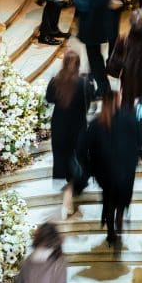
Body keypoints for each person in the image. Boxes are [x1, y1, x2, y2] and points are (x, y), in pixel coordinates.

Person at [85, 91, 142, 247]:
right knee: (122, 197)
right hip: (125, 169)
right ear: (118, 101)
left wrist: (91, 167)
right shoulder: (129, 118)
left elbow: (83, 147)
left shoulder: (96, 123)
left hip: (104, 172)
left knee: (108, 199)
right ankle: (119, 218)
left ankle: (110, 233)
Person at [45, 49, 96, 217]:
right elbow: (89, 103)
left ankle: (67, 195)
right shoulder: (84, 83)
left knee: (62, 158)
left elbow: (50, 98)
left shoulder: (55, 80)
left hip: (59, 127)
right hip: (78, 128)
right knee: (77, 159)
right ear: (79, 64)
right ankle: (68, 196)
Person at [73, 0, 118, 97]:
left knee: (95, 57)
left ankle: (103, 88)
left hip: (91, 25)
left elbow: (84, 5)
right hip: (106, 21)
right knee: (97, 56)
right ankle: (95, 79)